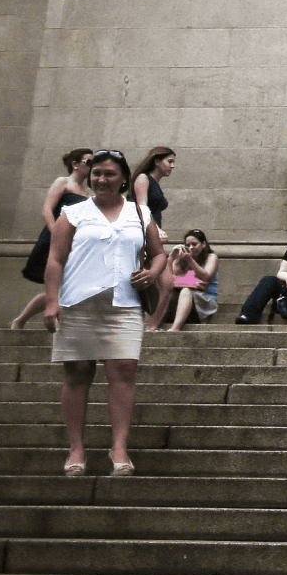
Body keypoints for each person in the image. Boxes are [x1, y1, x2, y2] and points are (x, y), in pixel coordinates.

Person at [41, 150, 163, 476]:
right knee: (77, 373)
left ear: (123, 178)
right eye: (96, 173)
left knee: (123, 372)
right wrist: (51, 302)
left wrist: (152, 273)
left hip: (124, 305)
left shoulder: (141, 213)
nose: (101, 179)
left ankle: (119, 447)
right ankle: (76, 448)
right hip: (77, 304)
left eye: (109, 174)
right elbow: (55, 259)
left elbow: (159, 254)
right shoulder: (73, 213)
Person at [12, 147, 93, 329]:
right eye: (88, 162)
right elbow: (47, 209)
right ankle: (21, 320)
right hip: (56, 237)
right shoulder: (63, 182)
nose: (92, 166)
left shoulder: (86, 190)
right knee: (59, 285)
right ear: (75, 164)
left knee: (64, 285)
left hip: (74, 242)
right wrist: (57, 233)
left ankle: (22, 320)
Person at [151, 230, 218, 331]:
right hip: (180, 299)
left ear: (203, 244)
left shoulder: (211, 257)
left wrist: (190, 260)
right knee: (168, 292)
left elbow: (205, 276)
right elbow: (169, 279)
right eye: (188, 245)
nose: (191, 247)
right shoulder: (182, 257)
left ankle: (175, 328)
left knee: (186, 291)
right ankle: (153, 326)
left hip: (204, 300)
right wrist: (172, 258)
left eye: (194, 244)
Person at [131, 147, 175, 231]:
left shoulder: (154, 183)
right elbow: (142, 207)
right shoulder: (143, 178)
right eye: (169, 161)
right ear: (157, 162)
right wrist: (156, 229)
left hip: (152, 231)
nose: (172, 166)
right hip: (142, 230)